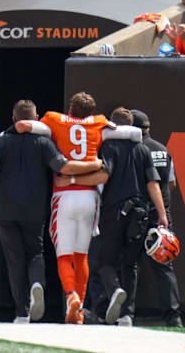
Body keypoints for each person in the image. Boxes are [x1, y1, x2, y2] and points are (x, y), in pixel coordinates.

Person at [0, 99, 104, 323]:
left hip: (3, 209)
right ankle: (37, 283)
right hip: (34, 208)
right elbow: (64, 168)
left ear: (13, 119)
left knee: (14, 259)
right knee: (35, 253)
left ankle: (21, 312)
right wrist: (95, 165)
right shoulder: (44, 143)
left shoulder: (3, 142)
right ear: (36, 120)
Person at [15, 92, 141, 324]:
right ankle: (79, 310)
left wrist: (6, 134)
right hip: (89, 197)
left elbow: (25, 126)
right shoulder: (99, 123)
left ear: (70, 110)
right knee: (82, 255)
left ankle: (71, 296)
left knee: (64, 255)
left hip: (64, 194)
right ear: (91, 112)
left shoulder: (54, 119)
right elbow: (133, 133)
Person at [57, 107, 168, 325]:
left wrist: (72, 182)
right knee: (130, 264)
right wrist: (162, 215)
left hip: (114, 212)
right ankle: (127, 315)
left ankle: (115, 289)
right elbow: (153, 184)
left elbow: (104, 174)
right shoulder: (142, 149)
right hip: (140, 213)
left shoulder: (109, 146)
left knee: (104, 262)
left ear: (113, 125)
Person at [114, 109, 182, 327]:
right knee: (164, 266)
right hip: (160, 215)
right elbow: (171, 183)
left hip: (137, 214)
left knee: (129, 264)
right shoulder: (163, 150)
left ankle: (127, 314)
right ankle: (174, 317)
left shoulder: (134, 150)